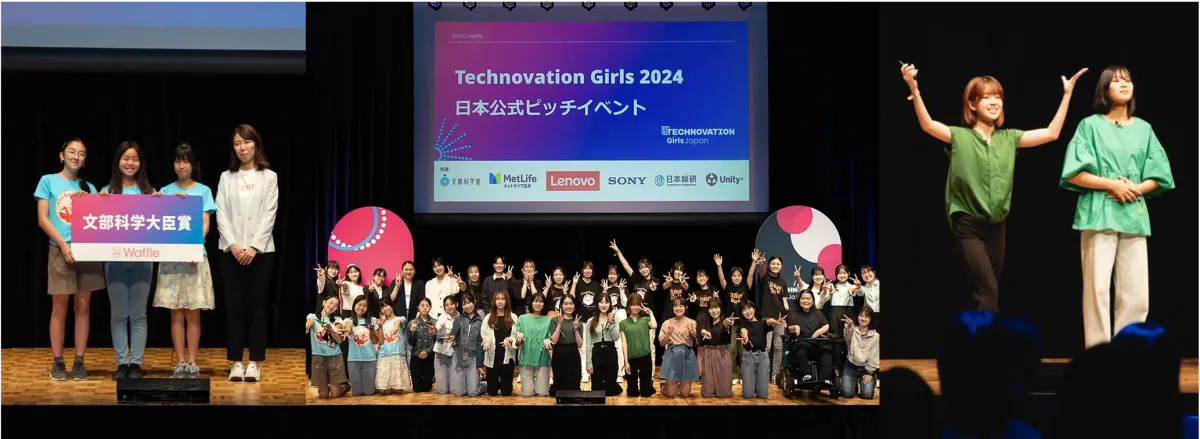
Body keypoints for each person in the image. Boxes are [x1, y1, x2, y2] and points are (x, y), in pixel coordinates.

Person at [900, 62, 1087, 312]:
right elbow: (928, 125)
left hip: (997, 226)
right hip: (967, 224)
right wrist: (914, 88)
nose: (994, 102)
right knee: (988, 292)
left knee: (985, 291)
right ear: (972, 104)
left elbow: (1051, 133)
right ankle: (990, 337)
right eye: (986, 97)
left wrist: (1067, 94)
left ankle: (975, 335)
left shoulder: (1009, 138)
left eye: (997, 97)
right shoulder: (959, 136)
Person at [1059, 65, 1175, 348]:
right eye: (1116, 81)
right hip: (1099, 211)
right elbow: (1074, 173)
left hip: (1133, 211)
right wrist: (1112, 184)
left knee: (1136, 292)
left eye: (1128, 80)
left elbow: (1160, 175)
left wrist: (1135, 188)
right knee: (1097, 289)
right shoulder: (1090, 126)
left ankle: (1130, 353)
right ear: (1104, 89)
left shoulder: (1144, 129)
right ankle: (1098, 354)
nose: (1124, 84)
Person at [35, 138, 102, 381]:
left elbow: (99, 220)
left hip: (87, 252)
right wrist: (63, 245)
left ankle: (79, 360)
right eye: (72, 152)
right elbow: (43, 219)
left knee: (83, 307)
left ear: (85, 160)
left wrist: (90, 201)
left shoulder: (89, 187)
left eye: (81, 153)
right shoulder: (48, 181)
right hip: (59, 250)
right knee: (59, 307)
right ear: (62, 155)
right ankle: (58, 361)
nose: (76, 156)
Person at [216, 124, 278, 382]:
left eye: (246, 142)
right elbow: (221, 212)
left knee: (257, 307)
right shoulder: (226, 177)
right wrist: (233, 244)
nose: (242, 148)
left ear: (256, 144)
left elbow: (270, 213)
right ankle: (236, 362)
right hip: (230, 252)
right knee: (233, 307)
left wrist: (253, 246)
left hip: (260, 252)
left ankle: (254, 362)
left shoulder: (269, 177)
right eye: (237, 143)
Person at [154, 143, 217, 379]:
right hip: (171, 259)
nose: (182, 165)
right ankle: (180, 362)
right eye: (178, 160)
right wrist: (158, 201)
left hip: (194, 258)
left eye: (186, 161)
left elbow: (205, 224)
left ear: (193, 165)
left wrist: (193, 248)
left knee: (193, 311)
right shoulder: (165, 191)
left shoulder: (203, 191)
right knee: (176, 312)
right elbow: (158, 224)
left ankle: (192, 362)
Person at [100, 141, 157, 380]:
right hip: (114, 262)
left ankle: (136, 364)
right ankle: (122, 363)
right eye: (126, 158)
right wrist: (98, 202)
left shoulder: (150, 192)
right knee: (118, 314)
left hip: (143, 262)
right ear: (118, 162)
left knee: (138, 314)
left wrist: (167, 202)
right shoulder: (107, 192)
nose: (130, 163)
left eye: (135, 159)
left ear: (140, 163)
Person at [840, 307, 879, 399]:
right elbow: (847, 339)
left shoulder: (876, 336)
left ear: (871, 319)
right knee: (847, 394)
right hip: (850, 366)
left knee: (867, 395)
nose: (863, 318)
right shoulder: (852, 329)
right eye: (861, 315)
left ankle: (870, 379)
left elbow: (874, 355)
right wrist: (850, 327)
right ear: (857, 316)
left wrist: (870, 373)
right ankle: (853, 385)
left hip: (866, 368)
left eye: (866, 316)